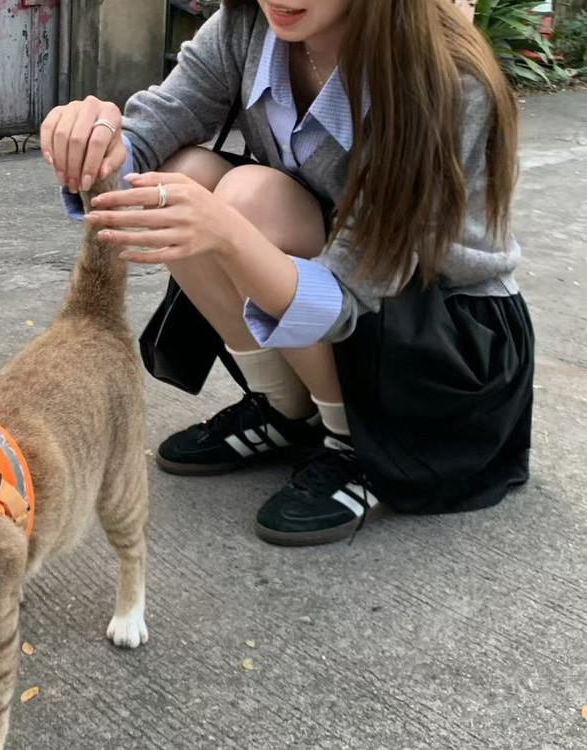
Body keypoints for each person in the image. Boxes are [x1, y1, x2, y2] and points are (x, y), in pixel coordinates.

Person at [40, 0, 534, 547]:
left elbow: (354, 287)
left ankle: (357, 445)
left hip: (440, 334)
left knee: (246, 201)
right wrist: (98, 143)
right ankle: (285, 411)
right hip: (342, 287)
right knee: (176, 180)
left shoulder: (442, 75)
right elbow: (153, 129)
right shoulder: (247, 27)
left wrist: (229, 236)